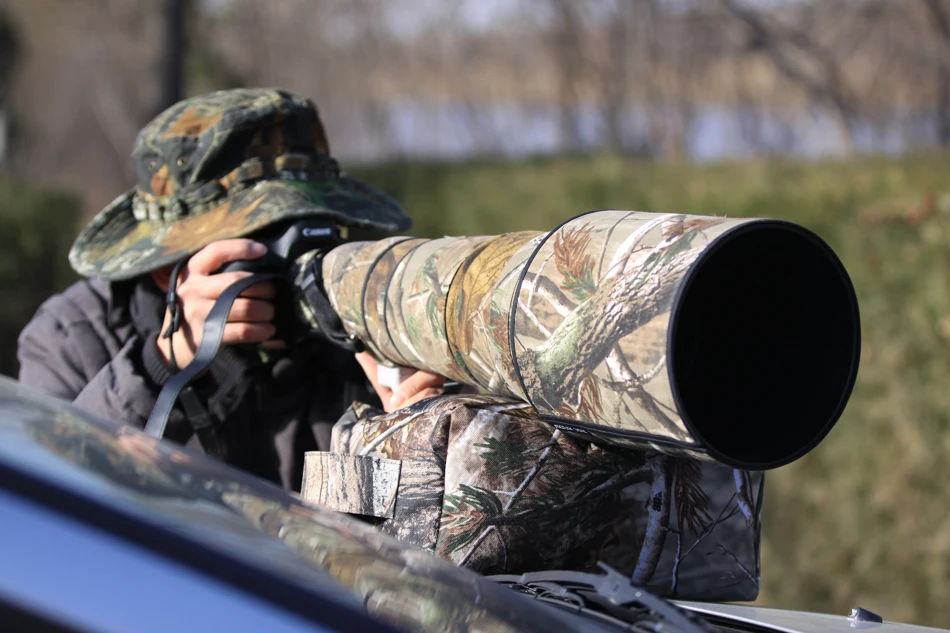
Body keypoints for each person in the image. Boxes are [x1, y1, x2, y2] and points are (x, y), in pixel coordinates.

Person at [17, 88, 446, 491]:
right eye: (265, 241)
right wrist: (163, 366)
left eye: (316, 234)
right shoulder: (74, 336)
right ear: (168, 271)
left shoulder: (362, 333)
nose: (298, 267)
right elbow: (42, 502)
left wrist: (409, 436)